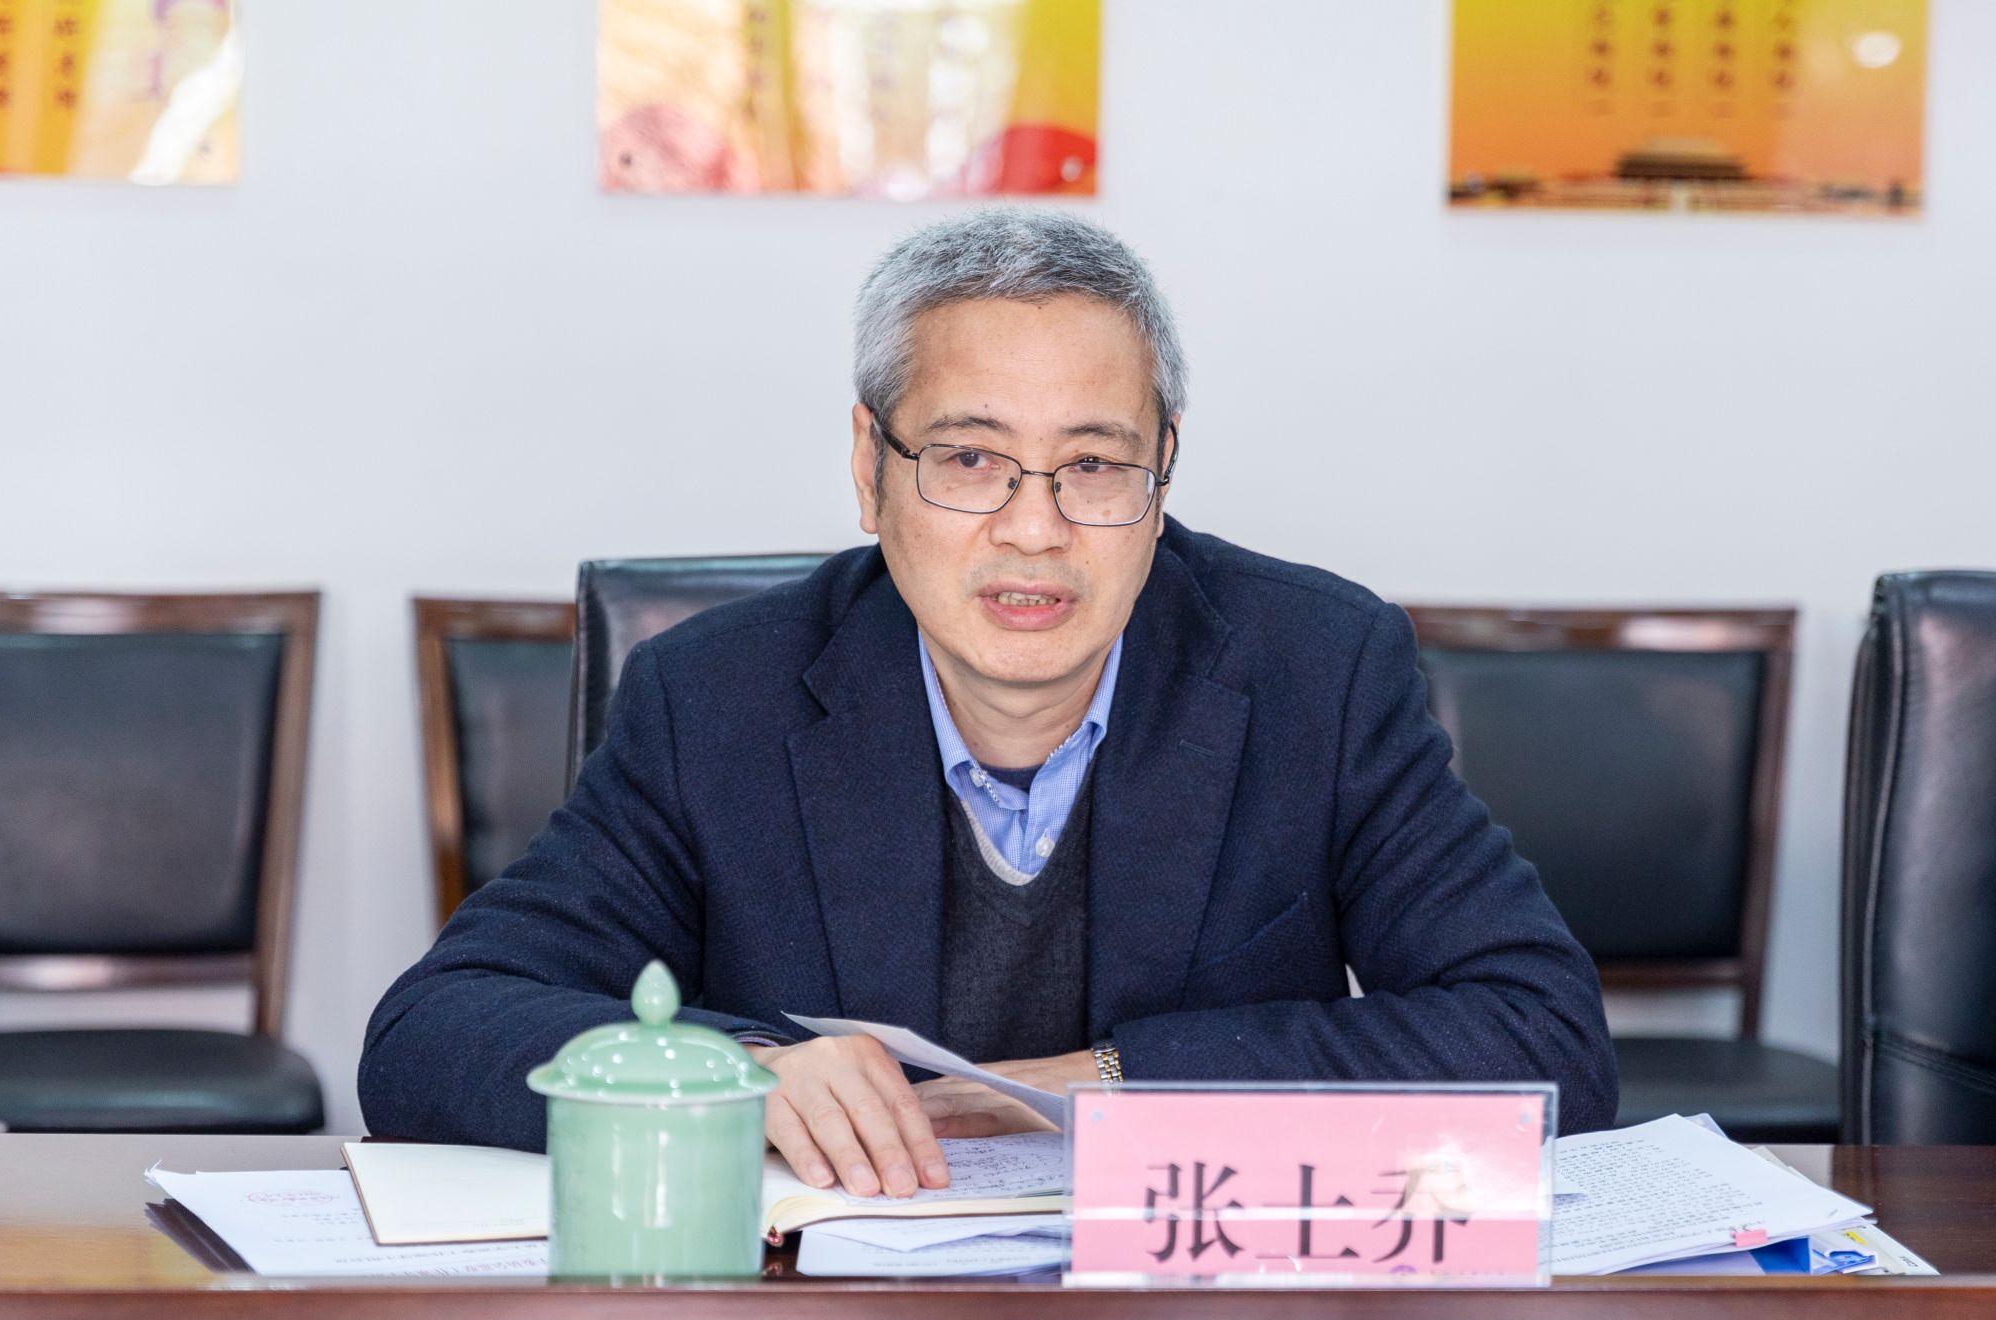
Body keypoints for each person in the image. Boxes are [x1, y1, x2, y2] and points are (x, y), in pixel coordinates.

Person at [361, 208, 1617, 1199]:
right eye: (967, 459)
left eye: (1093, 464)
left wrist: (1110, 1081)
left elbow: (1541, 1035)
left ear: (1162, 472)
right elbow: (433, 1028)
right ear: (870, 469)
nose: (1033, 529)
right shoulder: (715, 697)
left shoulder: (1313, 670)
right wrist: (733, 1075)